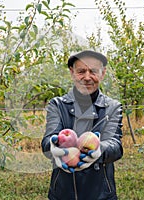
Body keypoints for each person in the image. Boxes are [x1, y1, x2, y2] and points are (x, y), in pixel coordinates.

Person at [41, 50, 123, 200]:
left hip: (101, 194)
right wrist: (53, 146)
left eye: (93, 71)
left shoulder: (112, 107)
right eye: (81, 71)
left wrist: (99, 150)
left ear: (102, 73)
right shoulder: (57, 105)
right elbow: (48, 139)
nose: (87, 77)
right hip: (63, 192)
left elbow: (116, 145)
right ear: (72, 73)